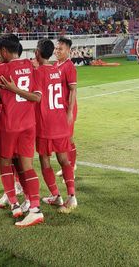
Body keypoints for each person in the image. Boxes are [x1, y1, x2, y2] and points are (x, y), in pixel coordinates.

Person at [0, 34, 45, 227]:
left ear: (3, 50)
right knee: (27, 167)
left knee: (4, 162)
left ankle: (14, 204)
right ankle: (34, 208)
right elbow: (36, 98)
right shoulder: (30, 65)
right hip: (29, 125)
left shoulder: (4, 68)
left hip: (10, 125)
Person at [34, 39, 78, 213]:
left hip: (45, 123)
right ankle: (72, 196)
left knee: (45, 160)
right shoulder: (56, 70)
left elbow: (36, 97)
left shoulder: (38, 72)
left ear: (37, 52)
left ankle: (55, 194)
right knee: (64, 160)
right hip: (59, 120)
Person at [53, 37, 78, 179]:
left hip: (67, 109)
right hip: (58, 109)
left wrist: (69, 112)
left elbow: (73, 90)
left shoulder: (69, 67)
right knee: (64, 139)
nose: (57, 51)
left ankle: (71, 167)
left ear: (68, 51)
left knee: (68, 139)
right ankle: (68, 166)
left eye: (60, 49)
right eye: (56, 48)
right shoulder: (57, 65)